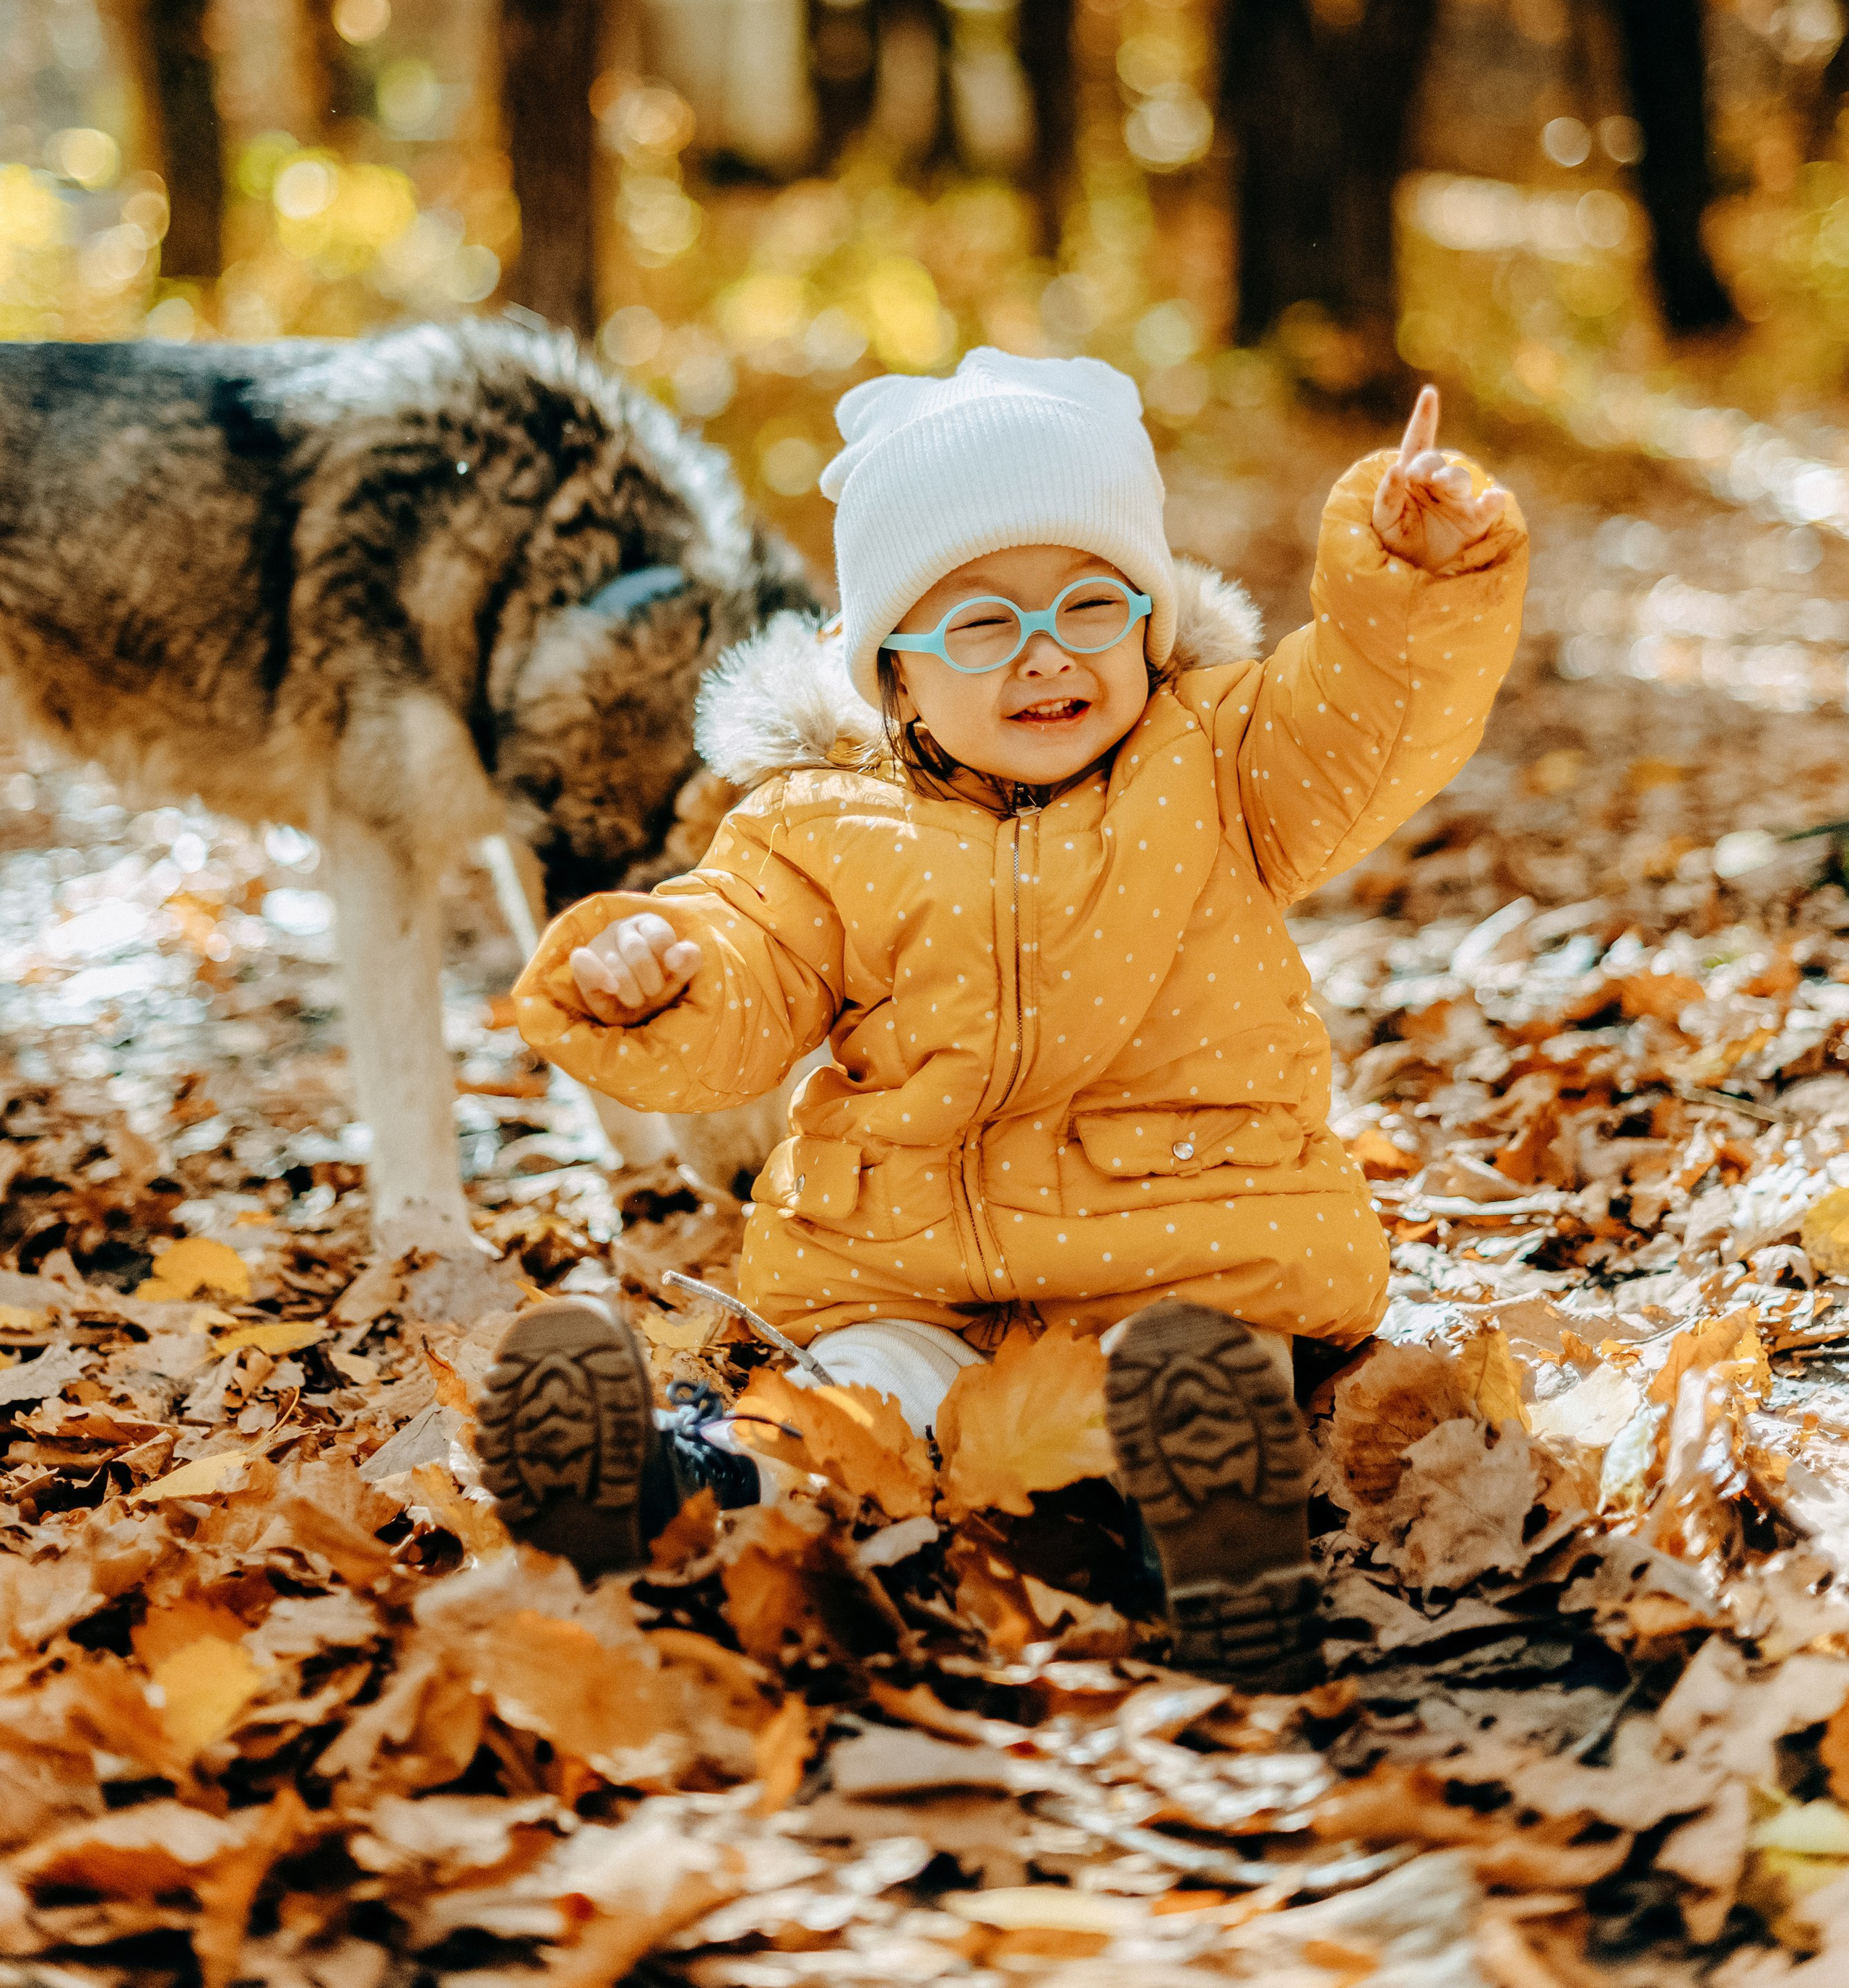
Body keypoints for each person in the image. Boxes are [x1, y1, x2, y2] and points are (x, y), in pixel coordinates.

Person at [480, 352, 1525, 1685]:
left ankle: (1206, 1538)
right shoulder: (818, 827)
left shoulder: (1229, 765)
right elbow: (747, 967)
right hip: (914, 1274)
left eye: (1091, 605)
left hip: (1186, 1252)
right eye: (980, 625)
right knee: (850, 1410)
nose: (1046, 654)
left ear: (1150, 626)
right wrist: (658, 965)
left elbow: (1377, 708)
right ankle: (671, 1496)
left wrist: (1412, 579)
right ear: (894, 679)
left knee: (1202, 1372)